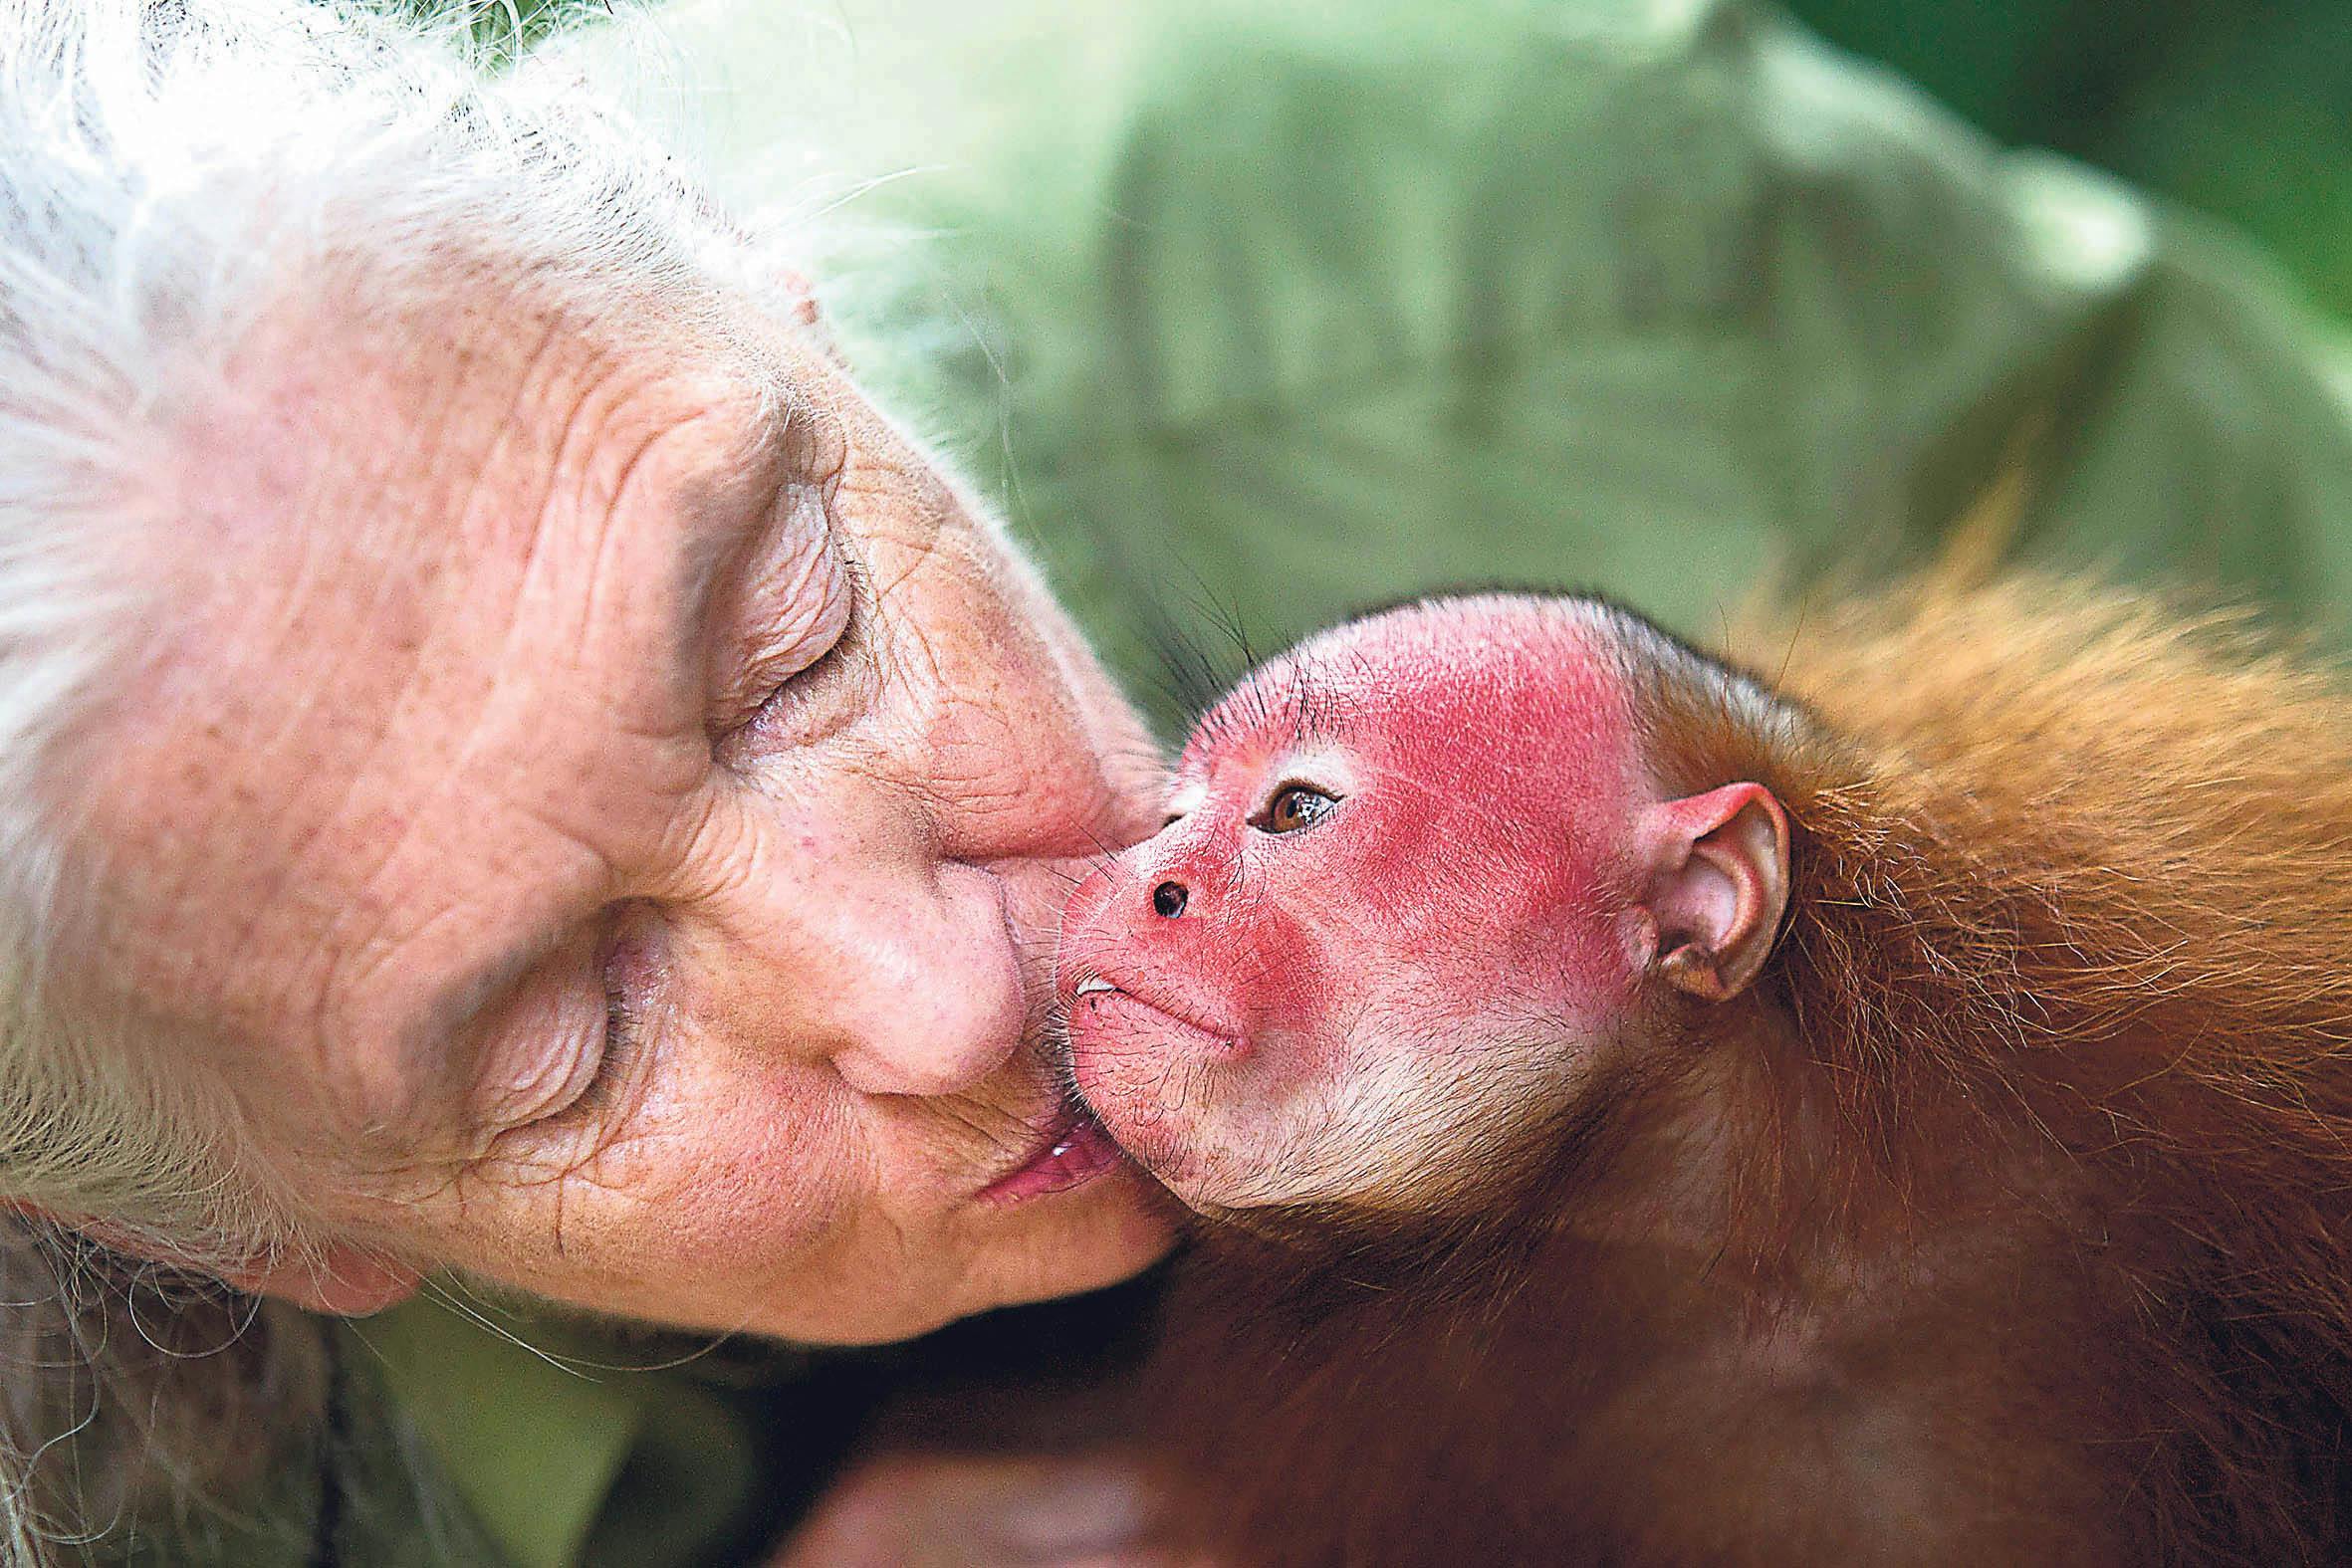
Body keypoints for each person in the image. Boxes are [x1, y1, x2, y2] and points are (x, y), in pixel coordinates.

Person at [8, 1, 2352, 1565]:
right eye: (559, 1032)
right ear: (258, 1232)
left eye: (794, 638)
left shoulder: (1511, 260)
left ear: (773, 299)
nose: (941, 996)